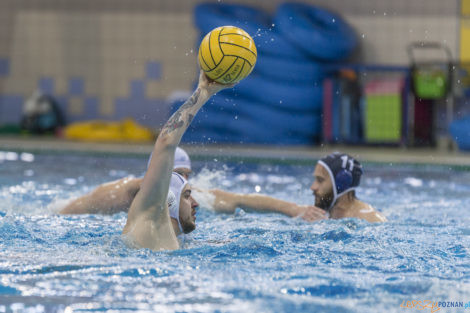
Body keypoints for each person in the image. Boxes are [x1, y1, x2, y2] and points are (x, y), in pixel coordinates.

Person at [208, 152, 386, 223]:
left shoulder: (371, 220)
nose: (312, 187)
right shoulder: (323, 212)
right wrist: (235, 199)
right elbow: (273, 204)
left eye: (320, 180)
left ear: (341, 184)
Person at [59, 147, 192, 215]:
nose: (184, 180)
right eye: (179, 174)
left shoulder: (182, 192)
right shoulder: (126, 191)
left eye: (187, 175)